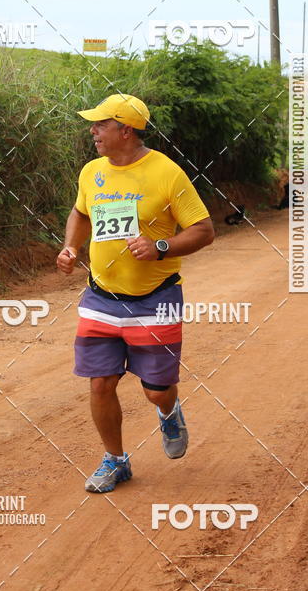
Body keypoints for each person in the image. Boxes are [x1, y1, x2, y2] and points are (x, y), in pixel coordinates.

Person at [57, 94, 214, 493]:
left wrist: (160, 247)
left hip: (155, 298)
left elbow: (203, 230)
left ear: (125, 130)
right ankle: (115, 460)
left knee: (155, 389)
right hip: (101, 296)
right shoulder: (92, 171)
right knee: (99, 383)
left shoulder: (166, 173)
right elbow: (81, 213)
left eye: (101, 124)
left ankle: (168, 410)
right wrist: (72, 247)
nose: (92, 130)